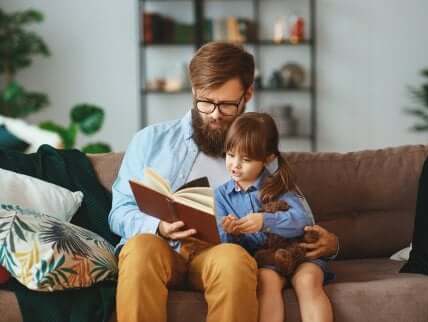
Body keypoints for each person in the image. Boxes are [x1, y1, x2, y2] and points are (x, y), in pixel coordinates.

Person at [108, 41, 340, 322]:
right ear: (194, 92)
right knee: (140, 247)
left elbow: (297, 214)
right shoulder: (150, 140)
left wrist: (330, 245)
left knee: (233, 259)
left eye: (227, 105)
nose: (215, 114)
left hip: (217, 255)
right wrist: (159, 227)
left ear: (248, 94)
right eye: (205, 102)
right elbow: (119, 211)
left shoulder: (258, 151)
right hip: (161, 250)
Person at [215, 112, 335, 322]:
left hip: (299, 254)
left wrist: (265, 221)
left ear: (268, 158)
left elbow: (303, 221)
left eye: (246, 159)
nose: (235, 164)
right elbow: (225, 246)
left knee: (307, 280)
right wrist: (230, 233)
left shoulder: (279, 185)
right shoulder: (222, 196)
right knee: (266, 281)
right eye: (230, 155)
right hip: (265, 261)